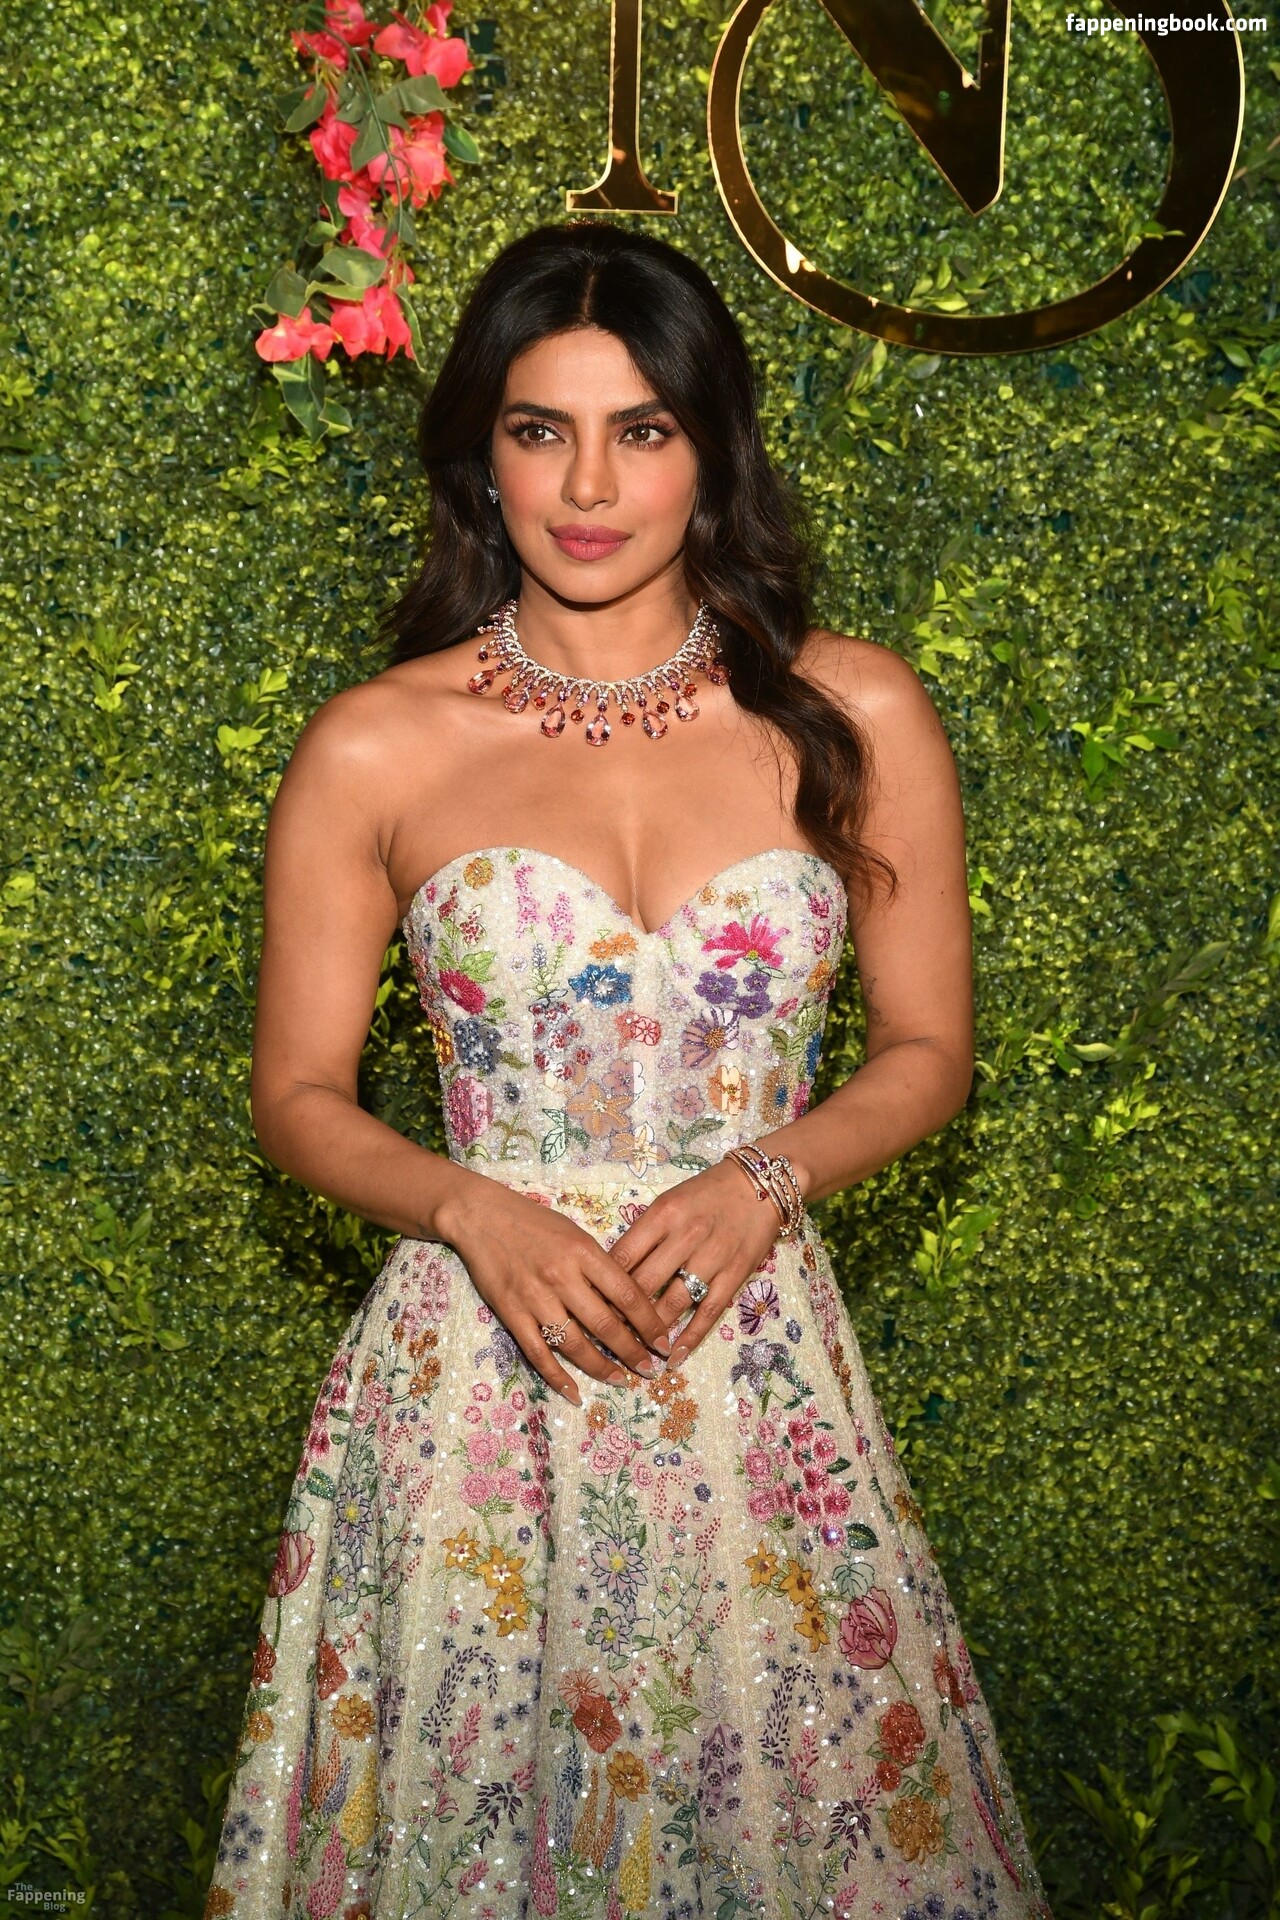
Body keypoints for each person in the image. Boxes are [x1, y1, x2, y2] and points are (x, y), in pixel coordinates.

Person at [206, 219, 1054, 1920]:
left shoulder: (855, 711)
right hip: (475, 1379)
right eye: (542, 430)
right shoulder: (377, 741)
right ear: (485, 455)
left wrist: (764, 1181)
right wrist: (472, 1210)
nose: (588, 486)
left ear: (711, 450)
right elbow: (295, 1093)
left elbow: (929, 1051)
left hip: (753, 1367)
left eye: (641, 430)